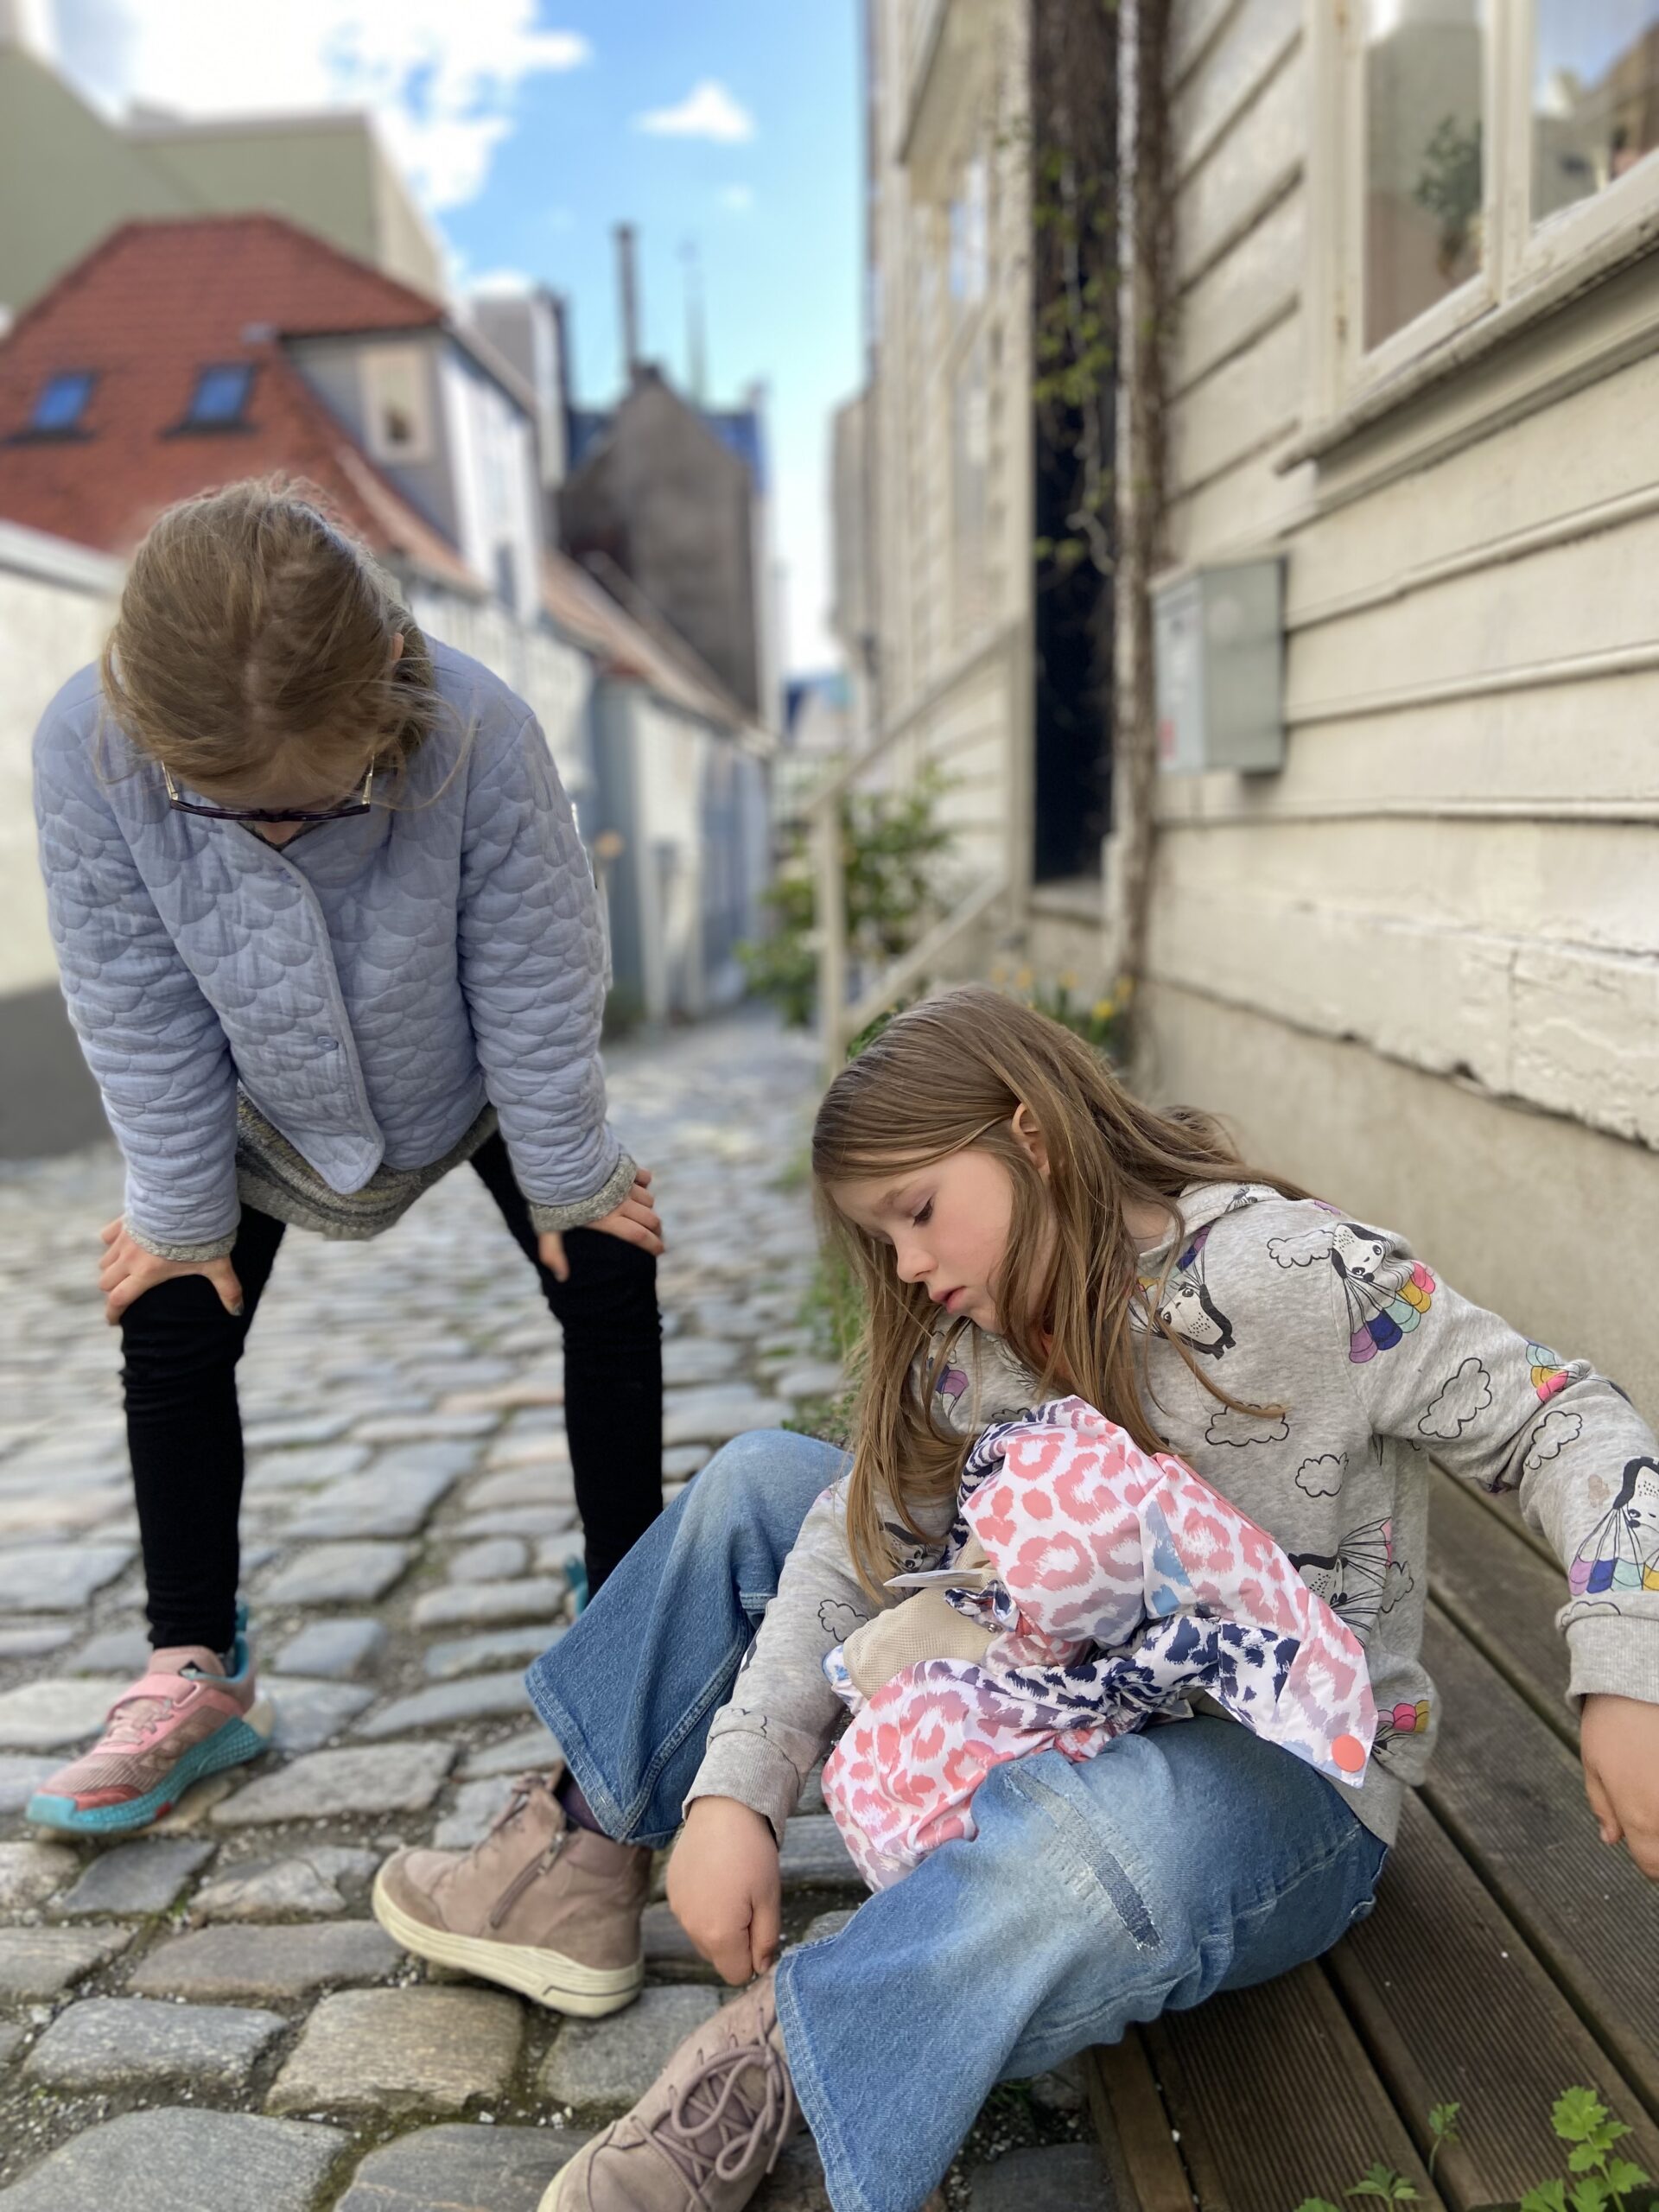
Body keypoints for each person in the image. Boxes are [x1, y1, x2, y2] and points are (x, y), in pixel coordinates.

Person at [372, 988, 1659, 2212]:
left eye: (921, 1210)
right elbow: (844, 1539)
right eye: (884, 1237)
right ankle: (584, 1852)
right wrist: (735, 1790)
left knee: (1104, 1847)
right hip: (1048, 1692)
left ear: (1029, 1137)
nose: (911, 1261)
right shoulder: (976, 1342)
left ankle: (787, 2057)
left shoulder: (1300, 1277)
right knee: (766, 1481)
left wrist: (1624, 1665)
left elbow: (1566, 1417)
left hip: (1288, 1781)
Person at [29, 480, 664, 1838]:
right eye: (227, 812)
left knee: (607, 1249)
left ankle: (625, 1593)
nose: (271, 836)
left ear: (385, 694)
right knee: (168, 1302)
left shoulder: (479, 729)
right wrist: (183, 1215)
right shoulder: (84, 747)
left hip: (472, 1065)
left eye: (311, 808)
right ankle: (198, 1664)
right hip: (252, 1090)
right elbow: (133, 1000)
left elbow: (540, 973)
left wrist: (566, 1177)